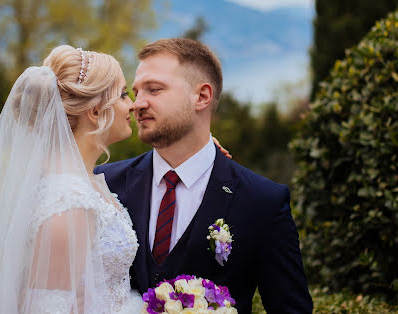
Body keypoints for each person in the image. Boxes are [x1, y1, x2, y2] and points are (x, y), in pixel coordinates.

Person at [95, 38, 314, 313]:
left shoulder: (262, 202)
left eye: (154, 89)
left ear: (202, 96)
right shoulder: (103, 184)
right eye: (136, 91)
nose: (138, 104)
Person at [0, 45, 143, 313]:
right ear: (95, 111)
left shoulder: (80, 182)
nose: (132, 104)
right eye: (123, 94)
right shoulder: (71, 203)